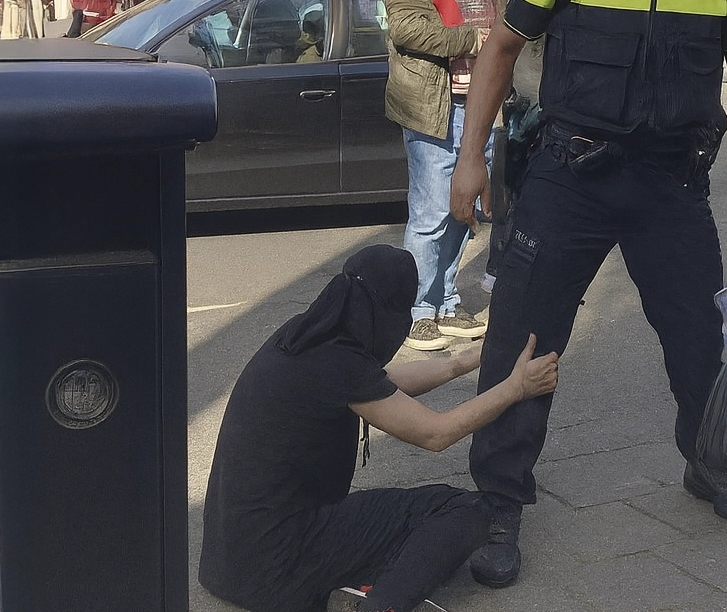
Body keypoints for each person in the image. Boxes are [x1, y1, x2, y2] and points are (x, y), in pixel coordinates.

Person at [448, 0, 727, 589]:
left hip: (670, 184)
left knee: (699, 334)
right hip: (571, 178)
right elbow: (502, 48)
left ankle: (711, 464)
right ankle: (498, 503)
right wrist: (470, 157)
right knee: (524, 341)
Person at [198, 244, 559, 612]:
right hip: (280, 566)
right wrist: (517, 388)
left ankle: (356, 584)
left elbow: (383, 382)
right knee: (464, 511)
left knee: (402, 535)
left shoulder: (307, 336)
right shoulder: (339, 366)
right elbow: (436, 434)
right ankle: (381, 605)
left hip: (228, 563)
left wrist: (467, 360)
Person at [384, 0, 505, 352]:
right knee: (432, 212)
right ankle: (417, 311)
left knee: (465, 209)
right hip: (435, 104)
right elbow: (408, 30)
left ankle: (446, 299)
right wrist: (473, 38)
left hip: (481, 104)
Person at [481, 0, 560, 292]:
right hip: (520, 77)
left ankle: (512, 263)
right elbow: (520, 8)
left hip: (531, 74)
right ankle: (503, 267)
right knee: (514, 176)